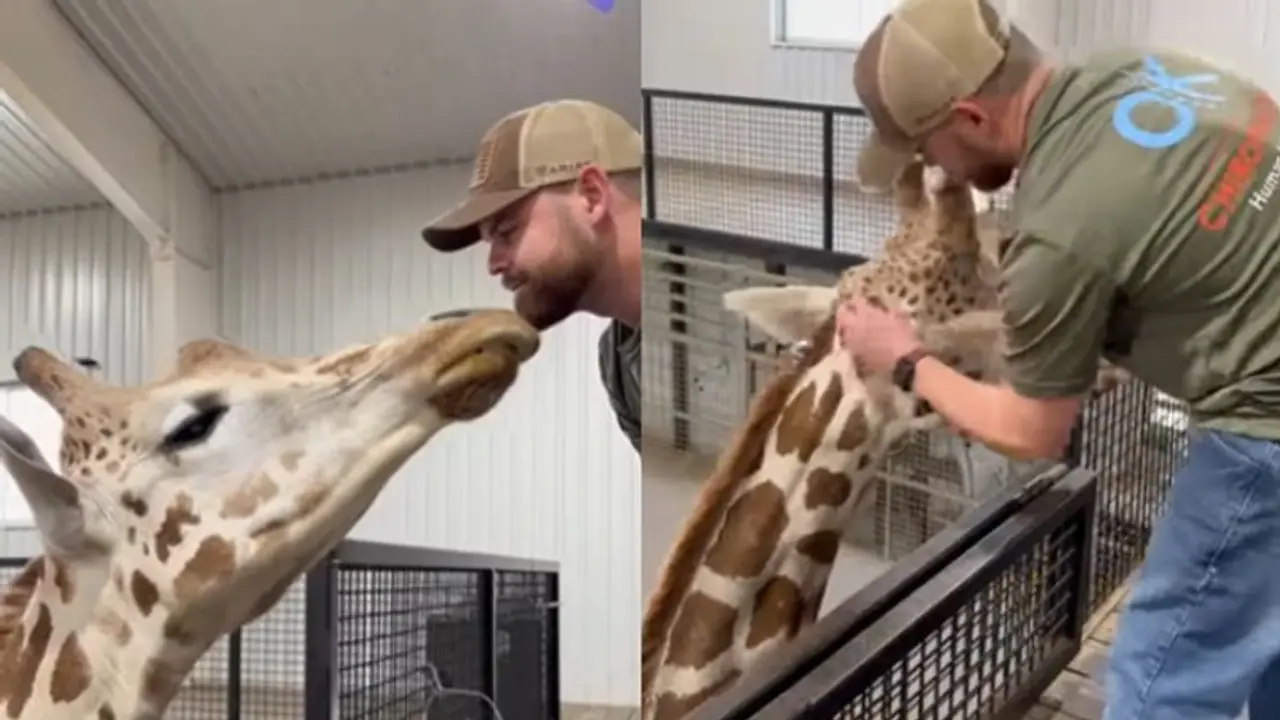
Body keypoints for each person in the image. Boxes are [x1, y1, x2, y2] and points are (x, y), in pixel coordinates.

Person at [834, 0, 1280, 718]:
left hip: (1268, 434)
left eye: (926, 150)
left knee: (1159, 680)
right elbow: (1192, 240)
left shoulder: (1056, 233)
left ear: (973, 119)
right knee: (1262, 646)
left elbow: (1031, 431)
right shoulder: (1131, 70)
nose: (931, 167)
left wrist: (907, 358)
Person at [420, 99, 643, 451]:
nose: (493, 265)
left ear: (592, 195)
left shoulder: (745, 308)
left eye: (507, 232)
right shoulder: (618, 365)